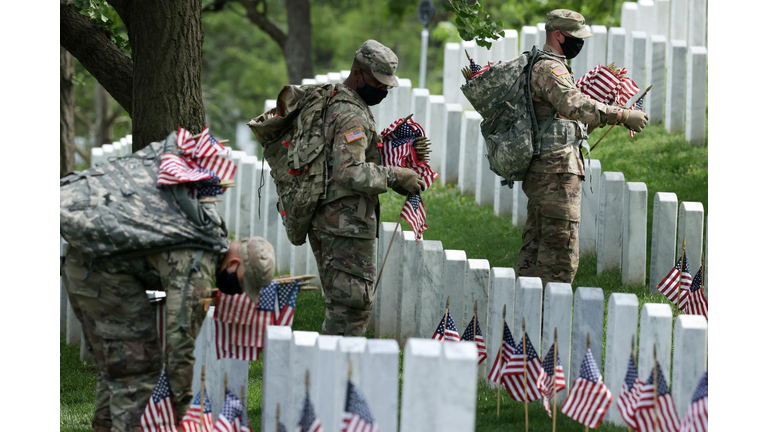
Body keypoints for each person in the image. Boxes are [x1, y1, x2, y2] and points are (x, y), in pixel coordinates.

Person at [62, 235, 275, 432]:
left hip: (95, 265)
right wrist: (185, 415)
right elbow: (180, 344)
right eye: (242, 283)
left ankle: (106, 424)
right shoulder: (197, 268)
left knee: (120, 360)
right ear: (234, 263)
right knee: (135, 367)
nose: (238, 291)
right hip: (96, 273)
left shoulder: (211, 241)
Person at [516, 9, 648, 289]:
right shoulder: (550, 68)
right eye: (575, 37)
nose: (580, 42)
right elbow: (576, 104)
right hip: (555, 175)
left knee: (537, 249)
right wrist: (623, 115)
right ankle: (548, 323)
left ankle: (526, 319)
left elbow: (559, 115)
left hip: (547, 172)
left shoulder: (544, 64)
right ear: (558, 35)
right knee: (559, 256)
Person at [308, 39, 425, 336]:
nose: (384, 90)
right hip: (344, 226)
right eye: (379, 82)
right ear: (359, 74)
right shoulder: (351, 114)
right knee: (350, 312)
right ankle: (334, 376)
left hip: (335, 221)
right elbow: (350, 172)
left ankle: (330, 374)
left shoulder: (340, 100)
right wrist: (396, 176)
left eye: (388, 84)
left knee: (344, 308)